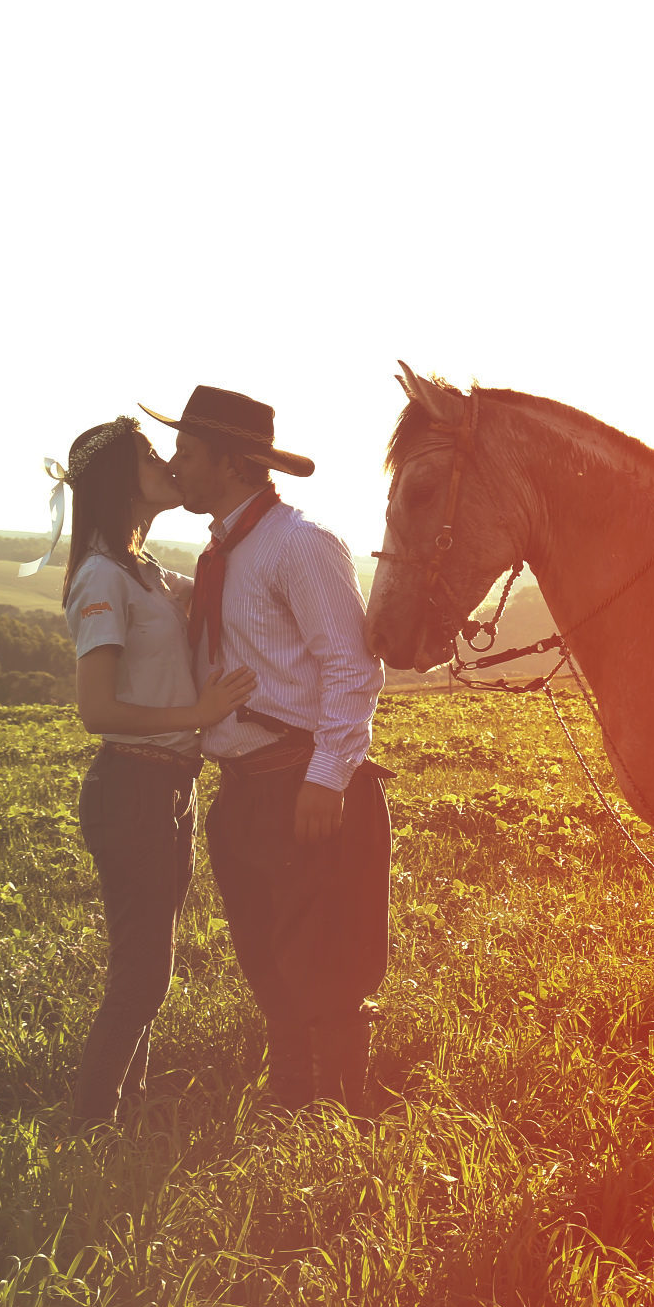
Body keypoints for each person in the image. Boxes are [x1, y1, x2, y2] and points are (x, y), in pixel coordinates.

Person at [140, 385, 390, 1113]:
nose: (175, 462)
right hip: (244, 787)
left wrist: (327, 777)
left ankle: (344, 1116)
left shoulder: (299, 544)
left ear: (230, 461)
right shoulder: (223, 551)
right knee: (267, 957)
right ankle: (292, 1098)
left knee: (328, 964)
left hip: (299, 779)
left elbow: (352, 666)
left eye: (187, 450)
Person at [35, 416, 256, 1125]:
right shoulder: (102, 577)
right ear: (118, 481)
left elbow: (227, 583)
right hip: (131, 788)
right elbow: (96, 708)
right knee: (143, 978)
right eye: (151, 454)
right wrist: (198, 711)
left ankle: (121, 1118)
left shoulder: (146, 570)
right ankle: (91, 1126)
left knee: (147, 973)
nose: (167, 461)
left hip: (167, 789)